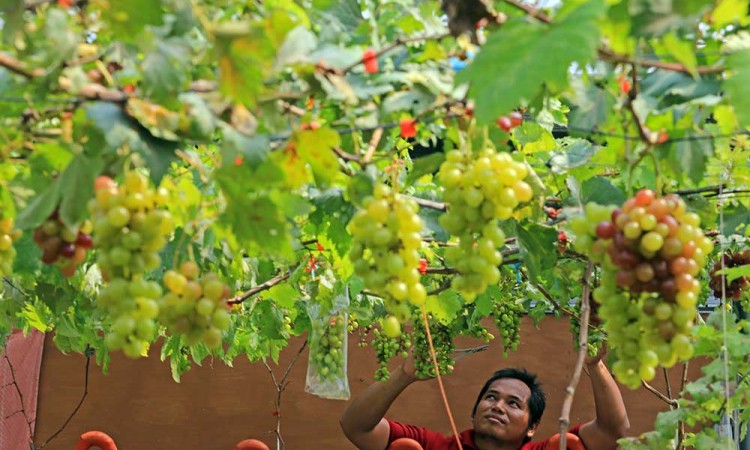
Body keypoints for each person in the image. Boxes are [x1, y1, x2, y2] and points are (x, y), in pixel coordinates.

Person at [340, 347, 629, 450]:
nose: (497, 406)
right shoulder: (437, 446)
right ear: (475, 410)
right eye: (491, 397)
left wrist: (594, 365)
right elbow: (356, 427)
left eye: (513, 403)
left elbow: (613, 431)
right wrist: (404, 374)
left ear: (532, 427)